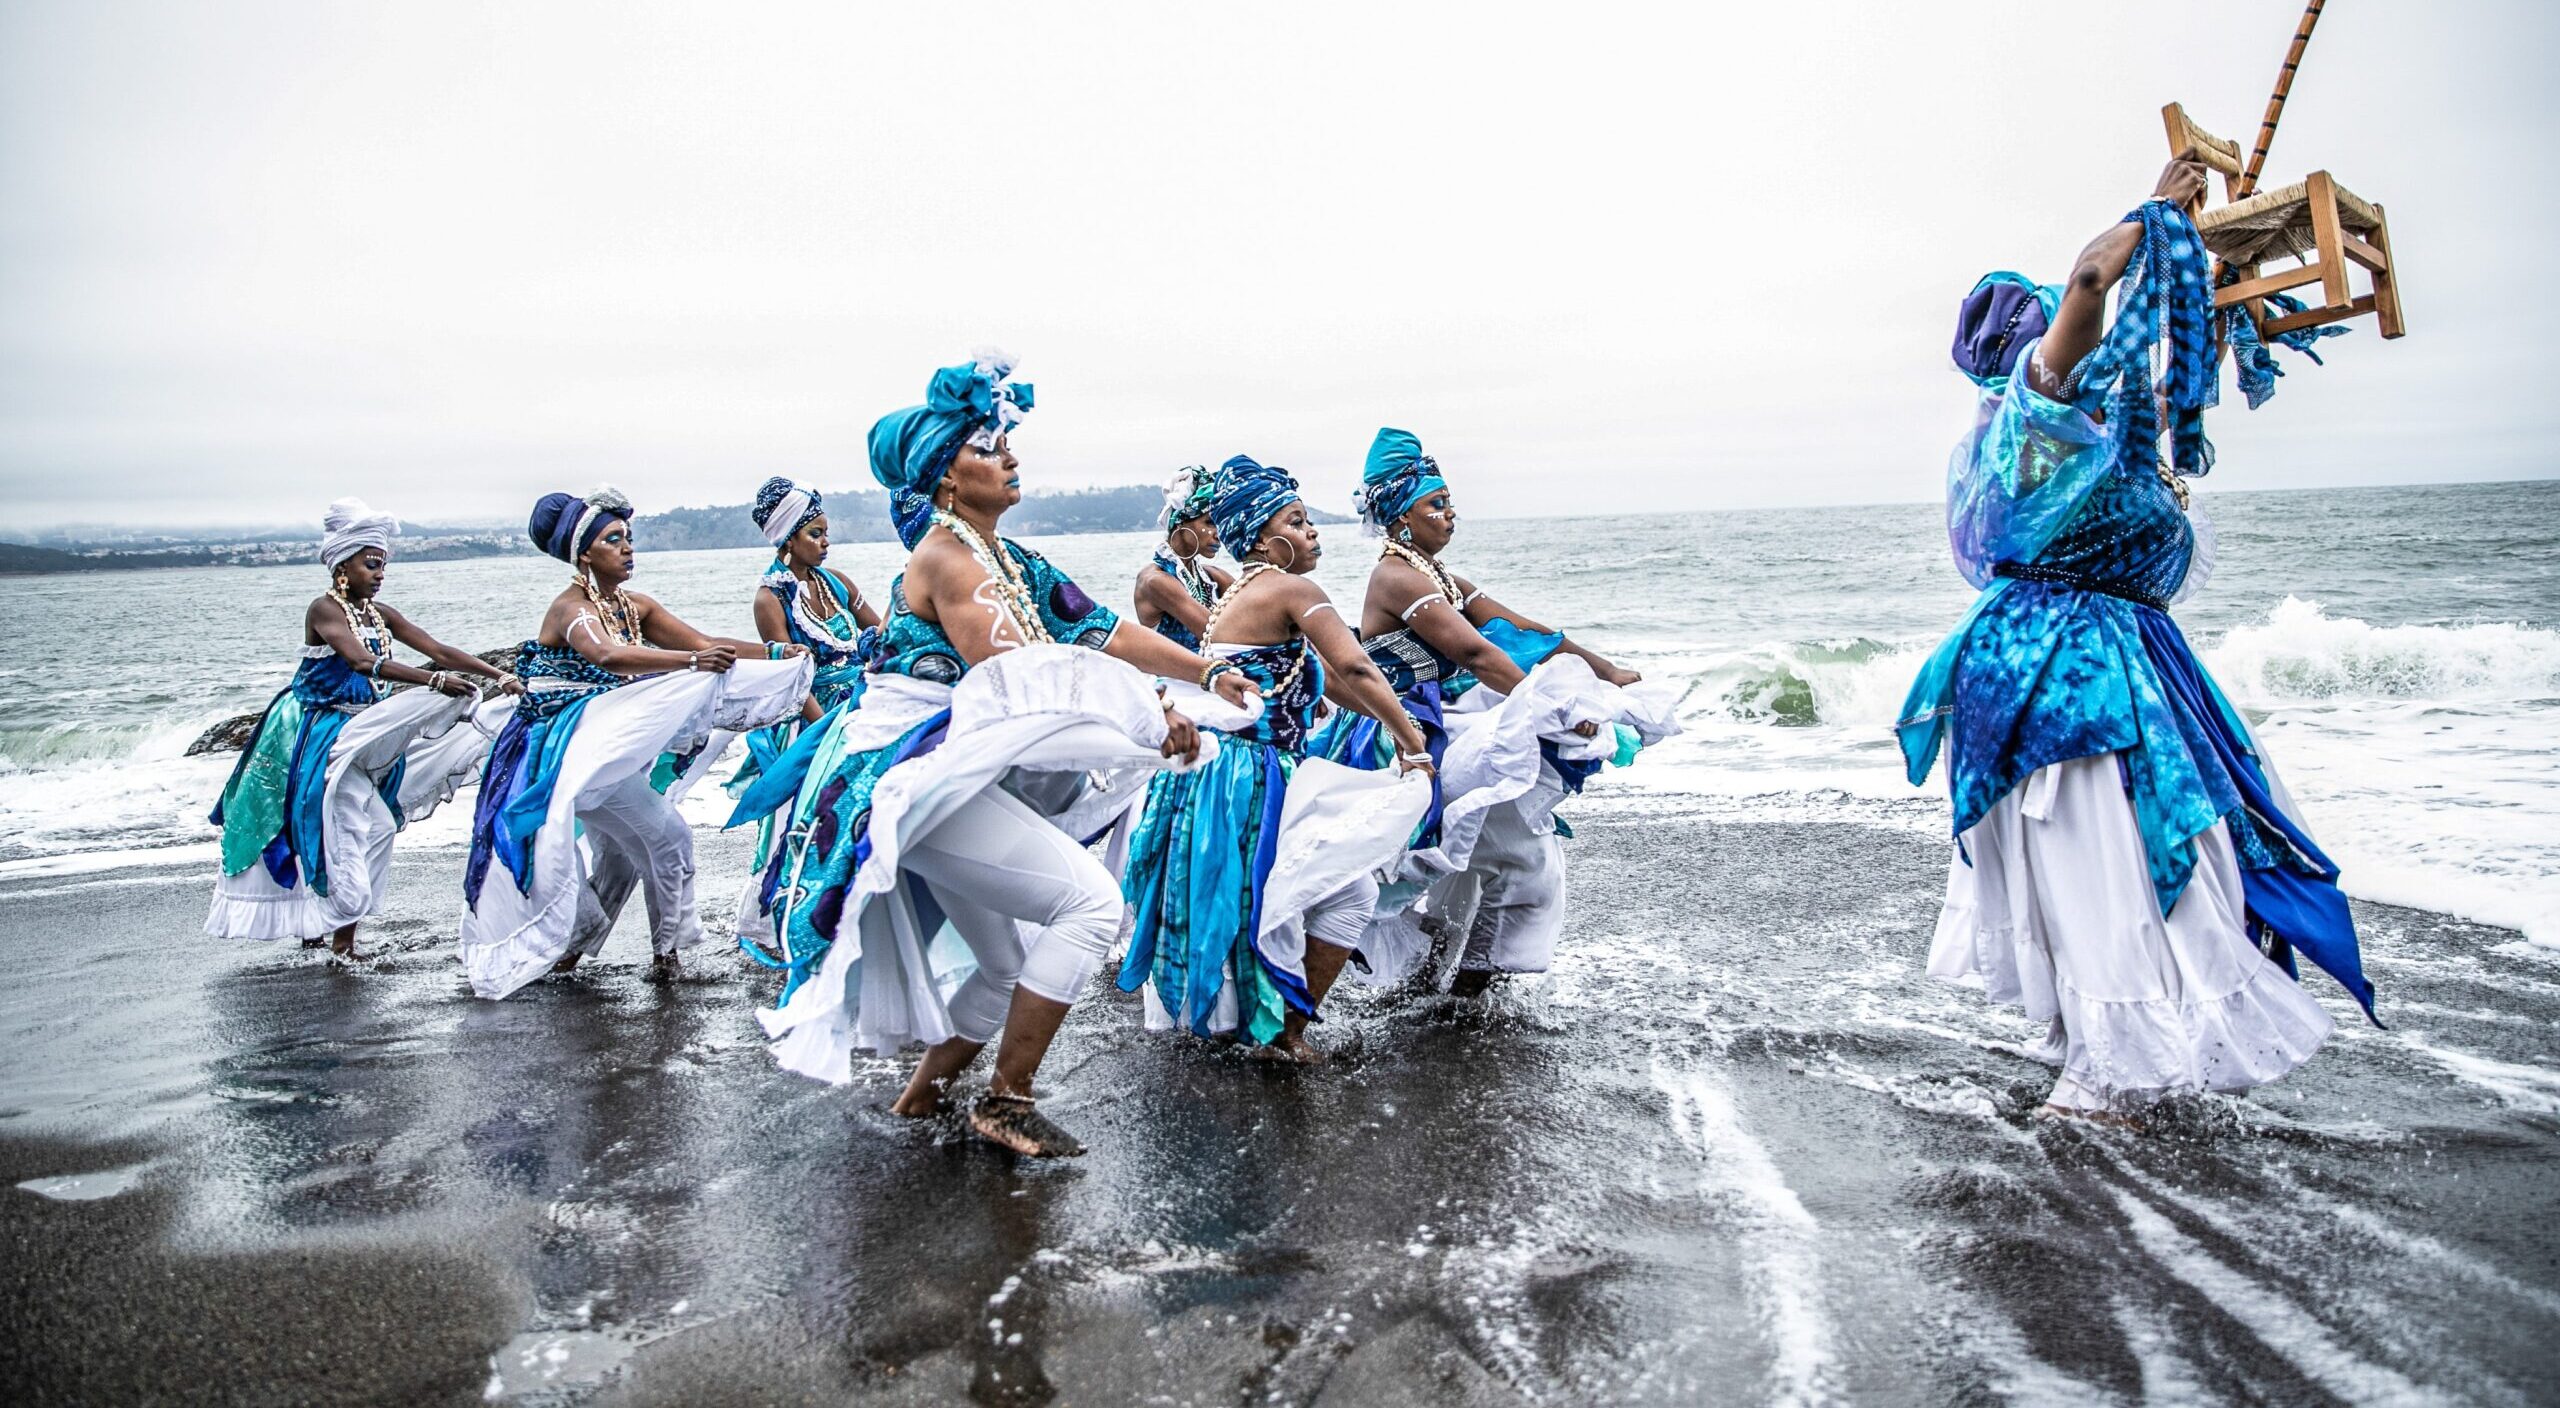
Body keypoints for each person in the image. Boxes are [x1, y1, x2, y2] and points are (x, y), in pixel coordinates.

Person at [1895, 161, 2374, 1123]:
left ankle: (2100, 1042)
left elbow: (2132, 351)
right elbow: (2089, 279)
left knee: (2115, 855)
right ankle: (2110, 1065)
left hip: (2077, 654)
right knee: (2103, 857)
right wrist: (2157, 210)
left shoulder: (2065, 433)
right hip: (2067, 673)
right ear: (2024, 343)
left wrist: (2199, 267)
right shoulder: (2039, 403)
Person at [756, 351, 1255, 1158]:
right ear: (945, 481)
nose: (1010, 456)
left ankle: (917, 1106)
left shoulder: (1007, 558)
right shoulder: (947, 557)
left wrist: (1207, 668)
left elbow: (1097, 629)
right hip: (914, 776)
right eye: (987, 447)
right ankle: (1007, 1101)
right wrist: (1147, 710)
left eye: (1004, 443)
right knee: (1090, 906)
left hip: (953, 767)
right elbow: (1018, 671)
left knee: (1003, 965)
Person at [1319, 427, 1677, 996]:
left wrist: (1606, 670)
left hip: (1446, 719)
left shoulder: (1434, 574)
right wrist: (1552, 709)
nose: (1450, 514)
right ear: (1402, 517)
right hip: (1404, 731)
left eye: (1449, 503)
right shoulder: (1396, 576)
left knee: (1492, 852)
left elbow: (1519, 629)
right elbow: (1476, 654)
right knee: (1511, 851)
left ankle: (1454, 985)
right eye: (1437, 505)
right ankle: (1462, 991)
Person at [1118, 455, 1433, 1061]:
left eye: (1310, 520)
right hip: (1249, 773)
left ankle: (1257, 1025)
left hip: (1221, 771)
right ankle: (1283, 1035)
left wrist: (1390, 724)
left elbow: (1328, 682)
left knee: (1258, 901)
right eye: (1297, 520)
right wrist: (1413, 741)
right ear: (1264, 537)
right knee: (1340, 894)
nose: (1312, 531)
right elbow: (1354, 664)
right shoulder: (1292, 589)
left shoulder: (1242, 591)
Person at [461, 485, 810, 996]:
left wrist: (777, 653)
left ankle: (619, 956)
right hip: (553, 757)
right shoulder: (571, 609)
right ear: (584, 554)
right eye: (613, 539)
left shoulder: (635, 606)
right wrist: (691, 664)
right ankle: (619, 953)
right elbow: (607, 656)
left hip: (604, 755)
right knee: (611, 849)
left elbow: (705, 644)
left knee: (641, 850)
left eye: (628, 537)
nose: (628, 547)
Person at [208, 499, 517, 957]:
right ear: (341, 566)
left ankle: (337, 934)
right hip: (315, 731)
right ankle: (335, 936)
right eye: (371, 564)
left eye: (383, 566)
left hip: (361, 730)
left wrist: (497, 676)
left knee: (373, 827)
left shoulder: (379, 613)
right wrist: (430, 679)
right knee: (329, 824)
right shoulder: (324, 610)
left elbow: (438, 648)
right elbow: (360, 661)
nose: (379, 574)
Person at [727, 476, 883, 963]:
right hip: (807, 716)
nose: (825, 542)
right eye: (815, 534)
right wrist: (829, 730)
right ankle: (785, 916)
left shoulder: (839, 585)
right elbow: (792, 674)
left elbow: (878, 633)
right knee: (805, 820)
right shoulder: (770, 598)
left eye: (826, 532)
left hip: (857, 705)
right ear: (787, 538)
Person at [1131, 463, 1232, 648]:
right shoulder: (1155, 581)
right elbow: (1217, 635)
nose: (1219, 534)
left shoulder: (1213, 577)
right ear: (1180, 522)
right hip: (1173, 677)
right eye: (1210, 523)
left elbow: (1256, 613)